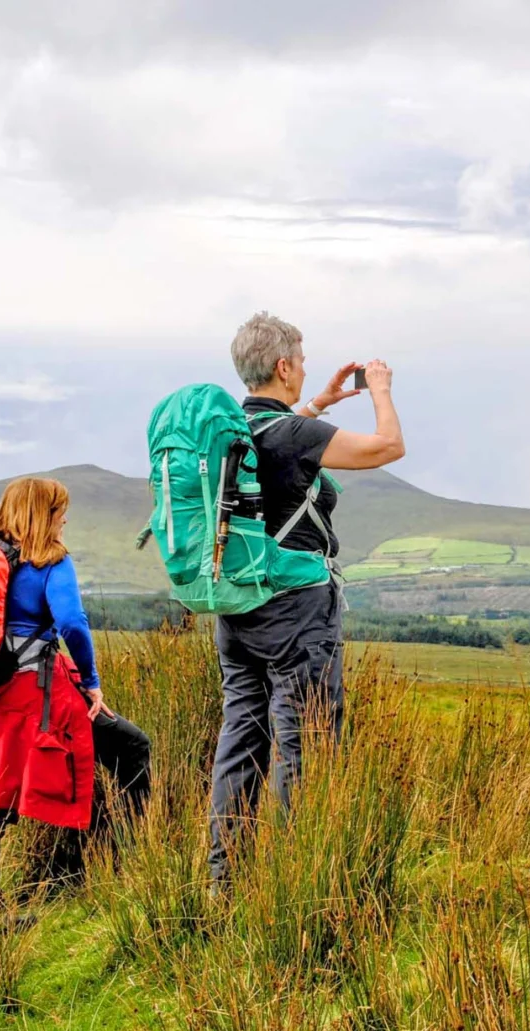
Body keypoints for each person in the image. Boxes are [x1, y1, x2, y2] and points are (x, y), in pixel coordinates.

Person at [209, 312, 405, 883]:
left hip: (238, 607)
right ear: (283, 366)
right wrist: (382, 392)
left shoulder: (235, 433)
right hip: (296, 609)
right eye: (301, 363)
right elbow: (387, 446)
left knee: (240, 735)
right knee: (306, 740)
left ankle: (226, 881)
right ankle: (295, 883)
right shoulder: (292, 437)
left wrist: (317, 402)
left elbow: (278, 442)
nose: (304, 371)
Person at [0, 476, 152, 883]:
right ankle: (129, 861)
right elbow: (71, 623)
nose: (64, 519)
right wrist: (91, 679)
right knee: (132, 746)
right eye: (58, 511)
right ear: (43, 514)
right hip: (34, 692)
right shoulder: (50, 561)